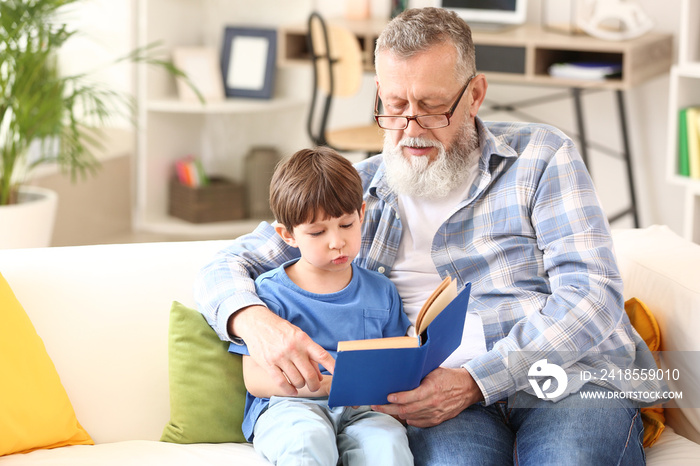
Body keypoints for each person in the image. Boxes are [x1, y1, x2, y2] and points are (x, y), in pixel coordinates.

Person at [196, 7, 661, 465]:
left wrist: (478, 381)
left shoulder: (541, 156)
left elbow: (593, 295)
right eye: (395, 106)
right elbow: (225, 265)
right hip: (435, 399)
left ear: (475, 94)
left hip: (566, 376)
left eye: (433, 107)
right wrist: (254, 321)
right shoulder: (354, 196)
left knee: (572, 458)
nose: (410, 129)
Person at [227, 146, 413, 465]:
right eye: (317, 232)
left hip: (363, 410)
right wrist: (334, 385)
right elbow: (256, 381)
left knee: (388, 445)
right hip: (290, 407)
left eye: (346, 225)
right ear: (288, 235)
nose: (336, 242)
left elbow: (396, 361)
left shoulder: (381, 290)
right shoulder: (270, 293)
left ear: (362, 215)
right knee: (306, 442)